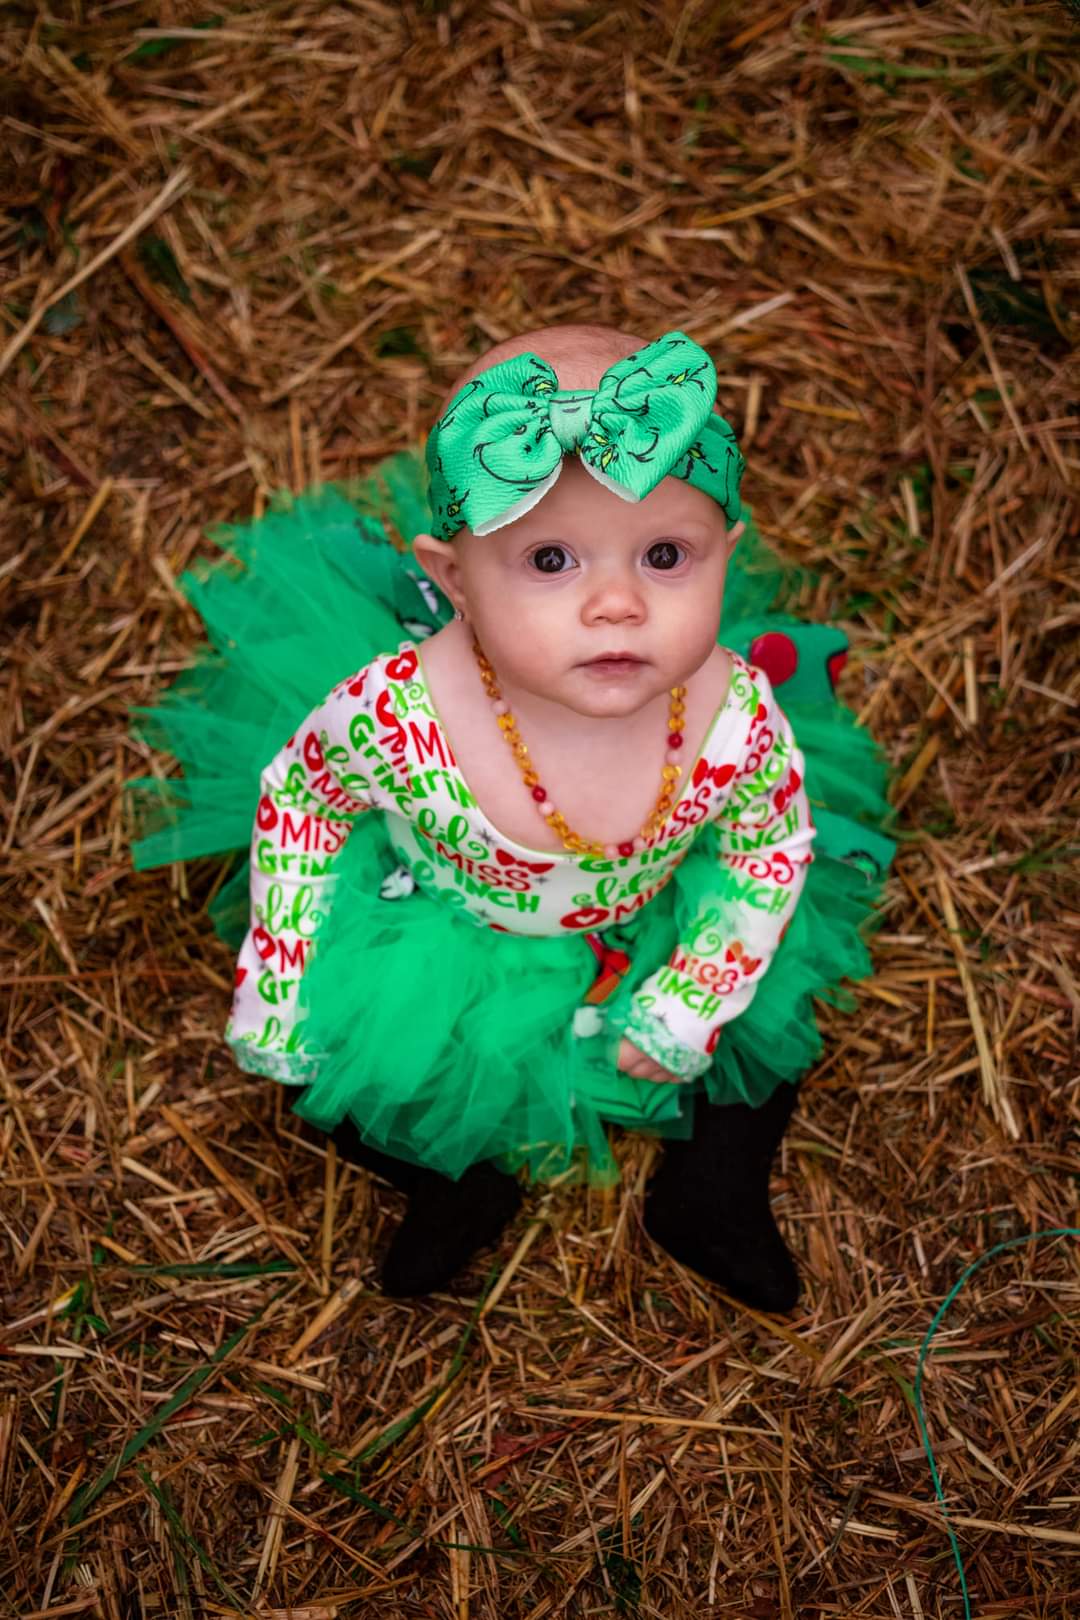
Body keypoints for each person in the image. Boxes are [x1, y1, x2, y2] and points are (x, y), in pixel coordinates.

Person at [130, 325, 894, 1311]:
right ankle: (453, 1179)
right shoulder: (398, 718)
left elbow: (763, 849)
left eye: (666, 555)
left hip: (649, 920)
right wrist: (281, 975)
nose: (616, 604)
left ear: (725, 553)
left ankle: (714, 1190)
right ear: (454, 580)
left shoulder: (732, 713)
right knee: (353, 1068)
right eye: (549, 560)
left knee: (768, 1027)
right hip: (454, 931)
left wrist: (693, 997)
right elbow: (303, 805)